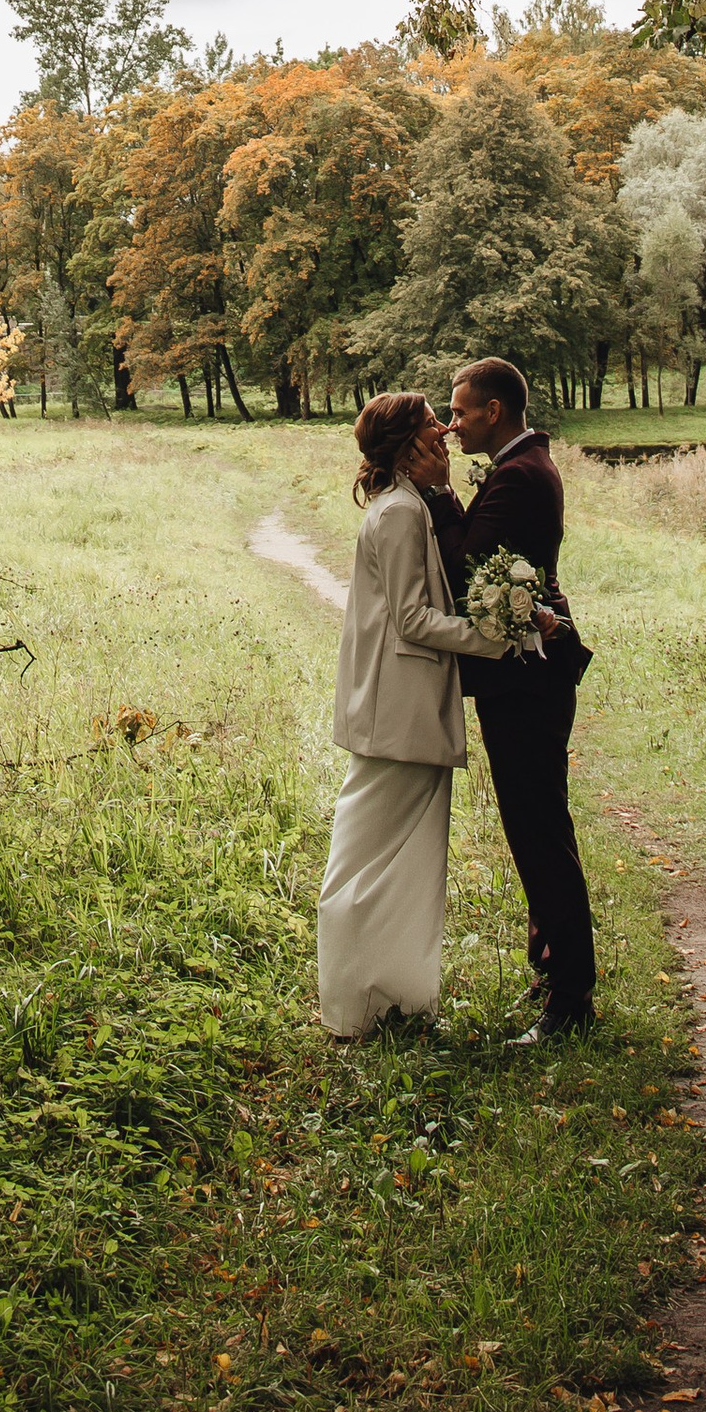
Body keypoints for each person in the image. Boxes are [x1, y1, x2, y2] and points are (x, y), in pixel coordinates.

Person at [316, 388, 505, 1038]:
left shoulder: (408, 504)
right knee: (367, 862)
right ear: (406, 444)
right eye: (431, 423)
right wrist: (494, 638)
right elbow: (412, 619)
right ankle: (354, 1004)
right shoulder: (398, 513)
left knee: (403, 867)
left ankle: (392, 998)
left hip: (405, 713)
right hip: (396, 714)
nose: (445, 430)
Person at [430, 354, 598, 1039]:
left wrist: (438, 494)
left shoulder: (522, 474)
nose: (452, 426)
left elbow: (467, 563)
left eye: (459, 412)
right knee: (533, 828)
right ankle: (552, 967)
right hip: (525, 672)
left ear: (493, 411)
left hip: (529, 679)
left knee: (540, 832)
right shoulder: (522, 466)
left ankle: (571, 998)